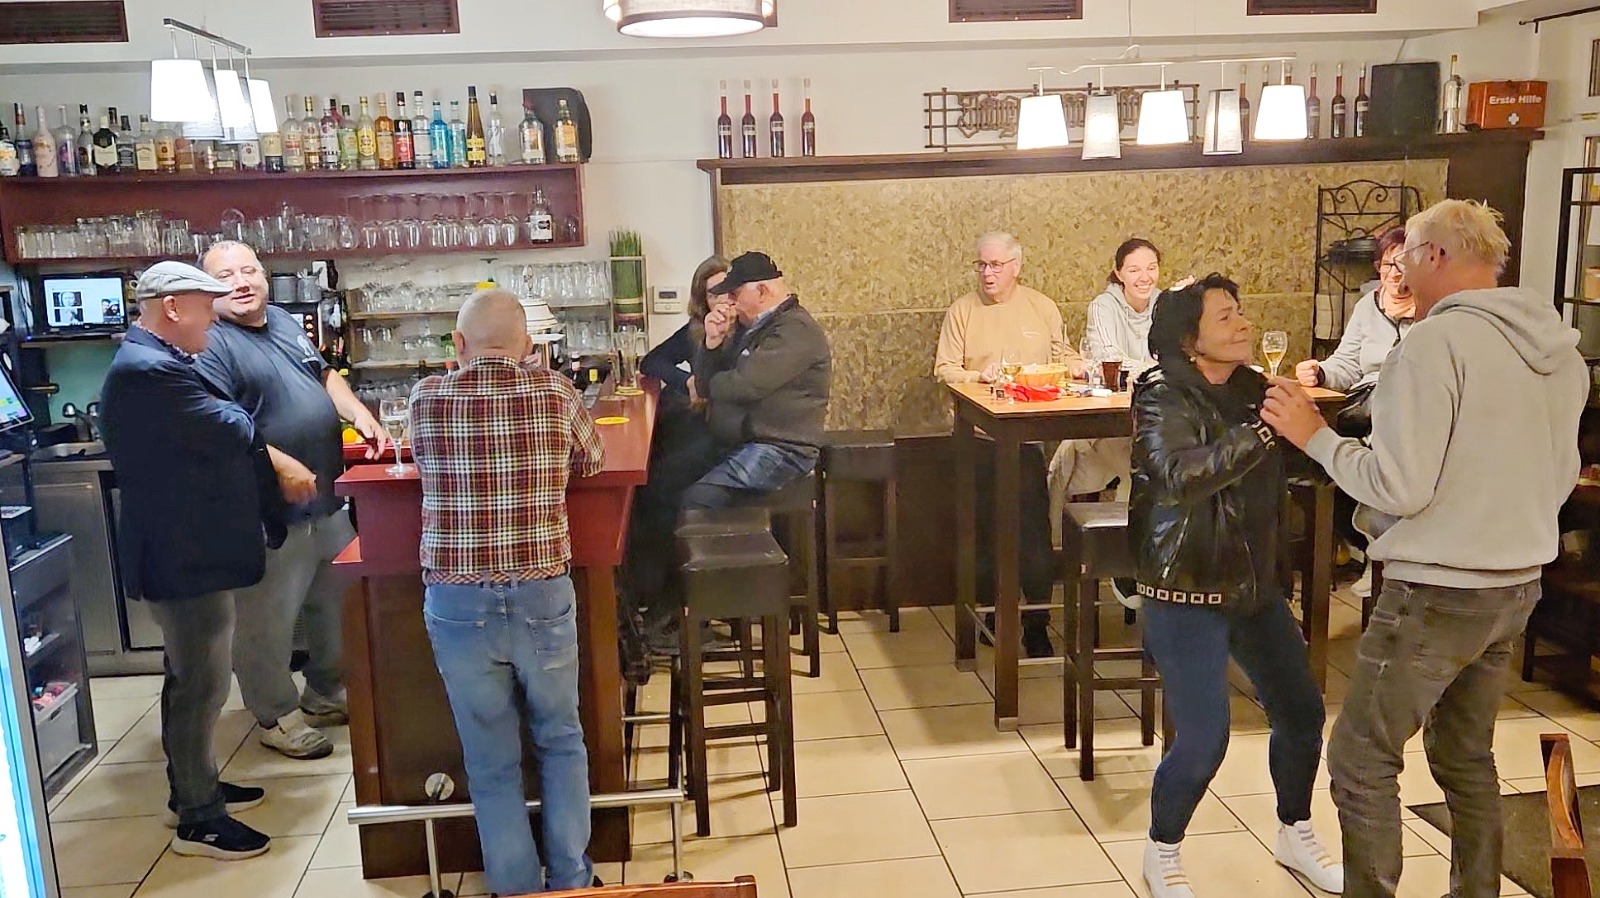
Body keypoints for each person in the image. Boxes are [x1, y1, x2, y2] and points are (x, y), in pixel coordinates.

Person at [1263, 200, 1589, 898]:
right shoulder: (1558, 350)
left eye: (1408, 253)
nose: (1401, 270)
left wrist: (1313, 438)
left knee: (1360, 760)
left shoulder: (1432, 347)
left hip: (1439, 588)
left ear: (1437, 255)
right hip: (1515, 584)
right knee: (1463, 754)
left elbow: (1397, 486)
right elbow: (1561, 478)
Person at [1130, 274, 1341, 898]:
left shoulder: (1254, 389)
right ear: (1190, 340)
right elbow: (1180, 474)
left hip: (1253, 583)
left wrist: (1335, 415)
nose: (1243, 324)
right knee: (1203, 740)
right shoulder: (1161, 395)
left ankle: (1294, 830)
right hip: (1184, 584)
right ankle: (1161, 847)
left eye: (1241, 312)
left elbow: (1304, 453)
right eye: (1225, 317)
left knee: (1302, 712)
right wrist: (1267, 431)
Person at [409, 288, 605, 895]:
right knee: (560, 738)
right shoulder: (554, 391)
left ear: (458, 345)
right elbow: (592, 461)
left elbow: (415, 460)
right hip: (541, 593)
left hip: (459, 603)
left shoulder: (426, 397)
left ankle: (514, 889)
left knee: (492, 762)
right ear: (527, 347)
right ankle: (570, 881)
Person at [100, 261, 289, 860]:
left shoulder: (161, 362)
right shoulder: (148, 371)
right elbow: (235, 425)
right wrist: (245, 424)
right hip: (181, 556)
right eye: (205, 303)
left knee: (192, 677)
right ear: (173, 307)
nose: (214, 313)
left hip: (191, 550)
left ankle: (192, 788)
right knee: (200, 682)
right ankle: (200, 820)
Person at [196, 241, 387, 761]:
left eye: (248, 270)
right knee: (267, 621)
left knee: (340, 606)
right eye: (225, 275)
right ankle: (275, 715)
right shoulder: (211, 342)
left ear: (264, 275)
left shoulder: (279, 320)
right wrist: (279, 463)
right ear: (207, 288)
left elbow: (323, 373)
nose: (240, 281)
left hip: (326, 499)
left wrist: (357, 413)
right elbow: (221, 421)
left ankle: (326, 693)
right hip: (269, 512)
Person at [934, 231, 1083, 658]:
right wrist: (977, 377)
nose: (987, 273)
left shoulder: (1042, 307)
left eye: (995, 265)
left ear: (1016, 266)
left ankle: (1037, 622)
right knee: (983, 532)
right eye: (981, 265)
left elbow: (1064, 356)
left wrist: (1080, 367)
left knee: (1033, 535)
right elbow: (944, 369)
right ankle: (989, 616)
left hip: (1027, 440)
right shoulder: (962, 311)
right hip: (977, 439)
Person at [1053, 239, 1192, 605]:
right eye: (1134, 269)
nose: (1144, 277)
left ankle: (1167, 566)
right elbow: (1109, 361)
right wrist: (1154, 371)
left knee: (1176, 462)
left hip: (1155, 419)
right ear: (1119, 273)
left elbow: (1181, 357)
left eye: (1151, 268)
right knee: (1142, 463)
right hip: (1107, 425)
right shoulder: (1104, 306)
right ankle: (1127, 566)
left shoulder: (1167, 305)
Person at [1293, 226, 1416, 598]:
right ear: (1378, 268)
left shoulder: (1433, 310)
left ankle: (1380, 556)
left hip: (1409, 405)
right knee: (1328, 460)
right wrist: (1320, 371)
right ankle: (1369, 549)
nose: (1397, 275)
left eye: (1406, 265)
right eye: (1389, 265)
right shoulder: (1368, 306)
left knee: (1375, 454)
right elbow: (1347, 364)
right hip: (1366, 402)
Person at [682, 250, 831, 510]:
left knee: (698, 501)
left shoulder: (795, 330)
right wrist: (712, 343)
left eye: (735, 294)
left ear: (762, 291)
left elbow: (745, 385)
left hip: (782, 450)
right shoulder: (752, 328)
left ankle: (729, 550)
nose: (729, 303)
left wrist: (711, 383)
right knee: (667, 477)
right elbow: (706, 385)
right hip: (740, 440)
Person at [632, 256, 731, 644]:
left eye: (727, 290)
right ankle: (652, 600)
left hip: (724, 437)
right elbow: (652, 360)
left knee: (658, 492)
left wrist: (703, 384)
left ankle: (672, 604)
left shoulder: (748, 334)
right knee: (646, 486)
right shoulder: (697, 332)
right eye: (712, 293)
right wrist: (688, 378)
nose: (721, 301)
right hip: (698, 428)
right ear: (701, 299)